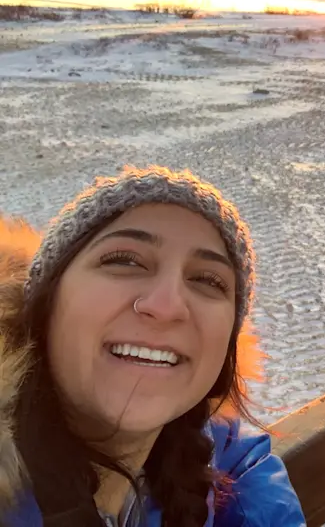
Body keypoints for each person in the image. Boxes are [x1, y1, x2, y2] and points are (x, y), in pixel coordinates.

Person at [0, 166, 307, 526]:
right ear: (44, 306)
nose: (167, 306)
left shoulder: (235, 467)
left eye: (208, 280)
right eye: (125, 261)